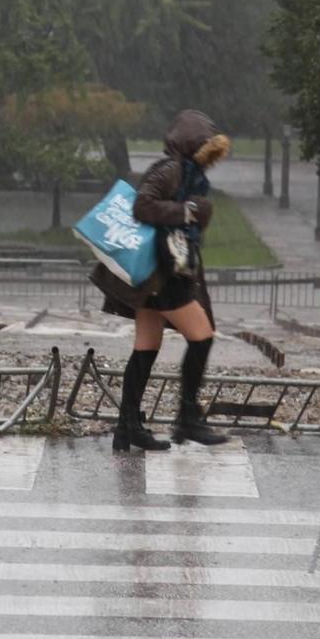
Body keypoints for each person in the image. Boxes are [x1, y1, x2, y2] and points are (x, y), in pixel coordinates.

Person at [90, 109, 232, 451]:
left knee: (146, 348)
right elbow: (143, 206)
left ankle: (127, 429)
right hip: (162, 275)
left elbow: (186, 220)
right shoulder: (169, 169)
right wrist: (186, 212)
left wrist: (194, 214)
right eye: (205, 148)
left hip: (158, 275)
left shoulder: (190, 175)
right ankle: (187, 419)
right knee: (202, 337)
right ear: (191, 144)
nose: (209, 158)